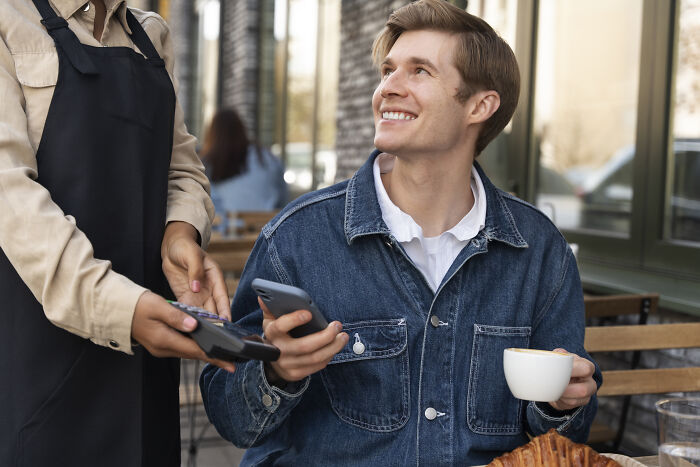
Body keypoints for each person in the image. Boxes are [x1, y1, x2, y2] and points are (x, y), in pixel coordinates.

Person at [200, 0, 601, 465]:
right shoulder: (297, 238)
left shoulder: (540, 250)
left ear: (480, 105)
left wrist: (562, 405)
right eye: (389, 70)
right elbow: (230, 416)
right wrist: (276, 374)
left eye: (419, 72)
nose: (388, 87)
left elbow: (570, 436)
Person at [0, 0, 234, 465]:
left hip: (148, 360)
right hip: (39, 360)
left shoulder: (153, 36)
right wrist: (121, 309)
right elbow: (9, 196)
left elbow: (182, 168)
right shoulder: (8, 19)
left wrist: (180, 234)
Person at [201, 108, 288, 235]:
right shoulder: (267, 158)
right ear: (242, 129)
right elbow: (283, 200)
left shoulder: (207, 165)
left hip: (227, 239)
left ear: (212, 134)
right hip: (267, 235)